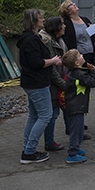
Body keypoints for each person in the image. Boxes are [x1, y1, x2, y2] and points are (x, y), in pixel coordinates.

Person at [17, 8, 62, 164]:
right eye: (40, 18)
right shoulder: (31, 40)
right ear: (34, 21)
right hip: (37, 83)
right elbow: (36, 63)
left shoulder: (31, 38)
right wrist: (54, 61)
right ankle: (29, 152)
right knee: (45, 115)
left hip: (32, 82)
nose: (43, 19)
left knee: (34, 116)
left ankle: (27, 149)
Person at [62, 49, 95, 164]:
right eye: (79, 55)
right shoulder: (80, 74)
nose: (82, 55)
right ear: (76, 63)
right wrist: (93, 71)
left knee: (78, 129)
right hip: (77, 106)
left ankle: (76, 148)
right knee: (76, 130)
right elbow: (92, 83)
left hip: (74, 106)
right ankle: (72, 154)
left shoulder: (74, 72)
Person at [38, 16, 68, 152]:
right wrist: (62, 83)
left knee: (67, 108)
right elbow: (52, 68)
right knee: (53, 113)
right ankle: (49, 142)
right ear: (56, 27)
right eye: (62, 24)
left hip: (62, 81)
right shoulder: (47, 42)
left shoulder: (59, 40)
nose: (65, 26)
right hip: (52, 85)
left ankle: (74, 132)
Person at [59, 0, 95, 66]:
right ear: (67, 11)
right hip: (78, 57)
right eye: (71, 5)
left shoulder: (85, 20)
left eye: (73, 3)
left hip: (91, 54)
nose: (74, 4)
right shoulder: (66, 24)